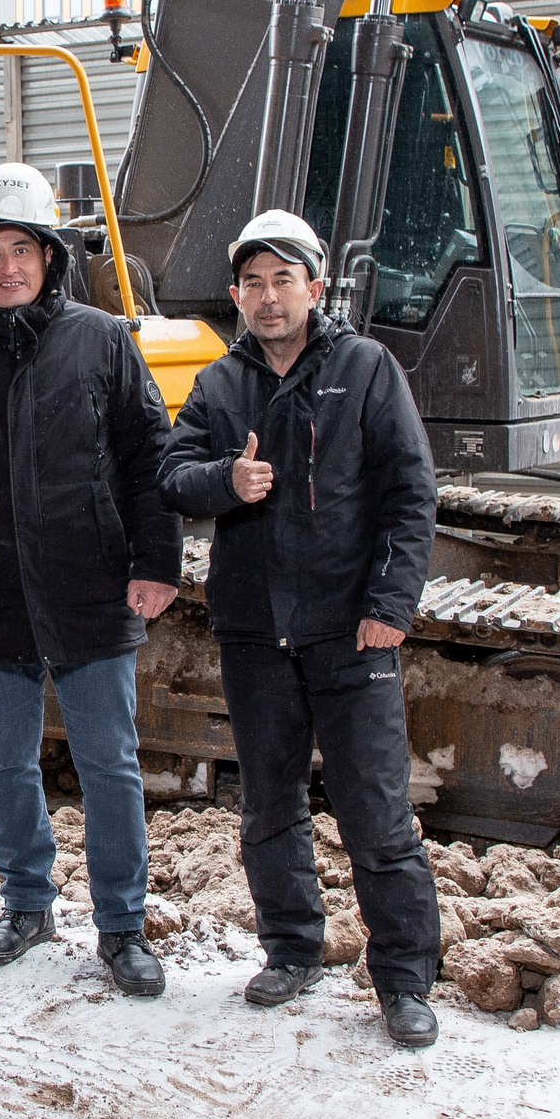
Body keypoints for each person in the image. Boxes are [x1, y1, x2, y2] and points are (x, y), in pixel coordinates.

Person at [157, 210, 443, 1048]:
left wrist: (390, 607)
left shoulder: (366, 368)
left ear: (315, 288)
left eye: (283, 280)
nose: (268, 297)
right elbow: (172, 475)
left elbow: (411, 493)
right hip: (256, 634)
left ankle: (404, 980)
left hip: (350, 634)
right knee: (269, 808)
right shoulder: (220, 384)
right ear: (236, 294)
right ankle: (291, 949)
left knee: (376, 813)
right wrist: (227, 479)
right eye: (252, 282)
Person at [0, 164, 182, 996]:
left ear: (50, 257)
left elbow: (149, 455)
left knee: (110, 763)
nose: (9, 266)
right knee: (6, 763)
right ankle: (26, 903)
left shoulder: (102, 339)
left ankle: (122, 923)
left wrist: (156, 562)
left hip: (89, 581)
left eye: (23, 249)